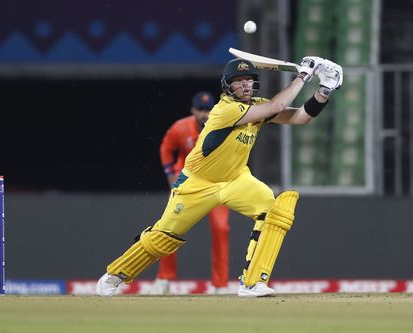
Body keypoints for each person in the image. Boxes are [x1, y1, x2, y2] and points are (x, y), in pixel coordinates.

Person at [96, 55, 343, 297]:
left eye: (249, 79)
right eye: (239, 80)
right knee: (163, 237)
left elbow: (300, 117)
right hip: (197, 183)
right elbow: (277, 106)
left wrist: (324, 89)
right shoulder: (225, 110)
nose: (245, 84)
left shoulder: (256, 106)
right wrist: (303, 76)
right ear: (227, 85)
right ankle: (115, 275)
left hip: (236, 180)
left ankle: (252, 283)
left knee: (276, 212)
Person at [149, 91, 230, 295]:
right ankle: (164, 278)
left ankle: (219, 285)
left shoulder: (223, 126)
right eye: (200, 110)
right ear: (193, 111)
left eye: (208, 109)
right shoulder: (181, 128)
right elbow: (166, 148)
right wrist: (170, 175)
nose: (205, 114)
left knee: (221, 229)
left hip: (215, 182)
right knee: (169, 227)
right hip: (186, 182)